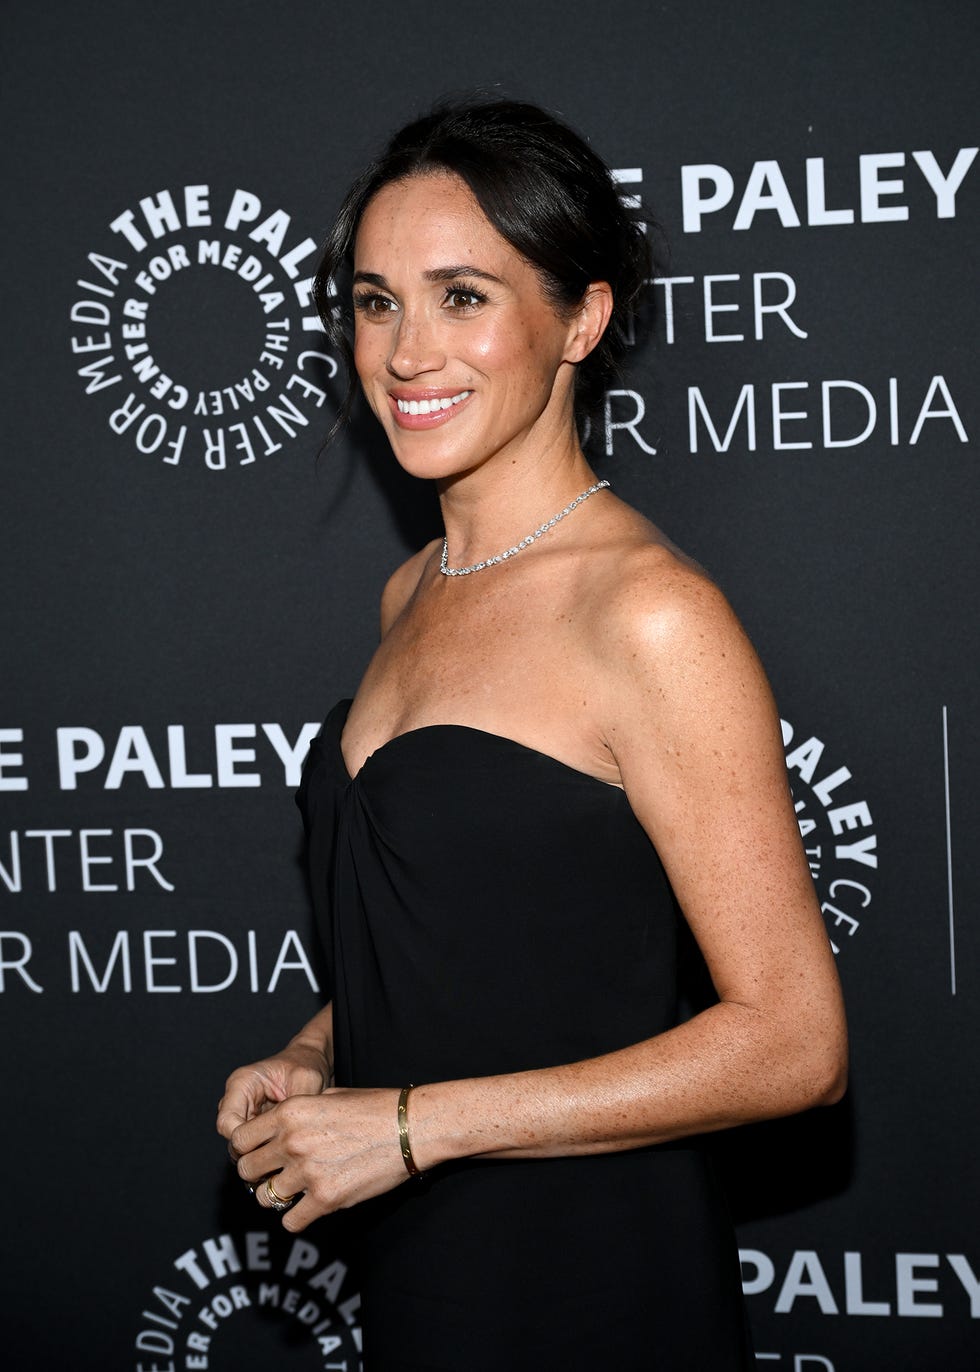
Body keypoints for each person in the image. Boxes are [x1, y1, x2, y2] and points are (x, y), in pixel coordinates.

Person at [217, 98, 847, 1370]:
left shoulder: (649, 615)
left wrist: (408, 1128)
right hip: (426, 1261)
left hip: (593, 1275)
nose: (403, 351)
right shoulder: (413, 591)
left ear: (581, 318)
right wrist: (316, 1051)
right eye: (374, 300)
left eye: (462, 297)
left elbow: (793, 1042)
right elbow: (492, 936)